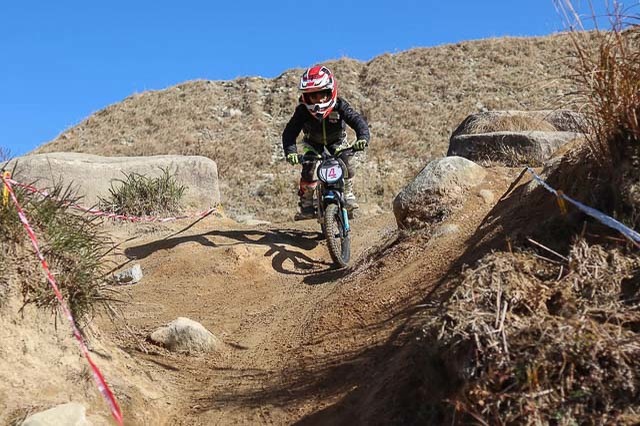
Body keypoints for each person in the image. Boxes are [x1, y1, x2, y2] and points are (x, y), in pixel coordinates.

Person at [282, 64, 370, 220]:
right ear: (306, 97)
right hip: (312, 144)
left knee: (346, 161)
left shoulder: (340, 106)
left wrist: (362, 137)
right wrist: (291, 153)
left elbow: (357, 120)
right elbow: (289, 132)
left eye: (323, 95)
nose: (319, 100)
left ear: (331, 91)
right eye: (313, 96)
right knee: (308, 168)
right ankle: (307, 203)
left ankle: (348, 192)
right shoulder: (302, 111)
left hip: (336, 142)